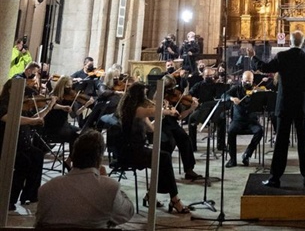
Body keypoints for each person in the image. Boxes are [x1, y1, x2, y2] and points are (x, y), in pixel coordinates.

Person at [248, 30, 305, 188]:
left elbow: (265, 67)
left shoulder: (282, 56)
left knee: (281, 141)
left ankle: (275, 178)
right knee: (304, 142)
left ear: (289, 42)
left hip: (284, 103)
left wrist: (253, 57)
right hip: (301, 104)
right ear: (303, 43)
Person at [116, 82, 190, 213]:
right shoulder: (135, 110)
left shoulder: (139, 112)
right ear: (138, 96)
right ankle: (174, 199)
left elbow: (153, 129)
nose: (146, 97)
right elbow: (152, 111)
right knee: (164, 158)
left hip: (138, 149)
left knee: (163, 157)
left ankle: (152, 195)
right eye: (144, 95)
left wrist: (162, 116)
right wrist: (167, 111)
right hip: (130, 152)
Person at [35, 130, 134, 228]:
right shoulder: (110, 188)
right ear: (99, 159)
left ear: (73, 157)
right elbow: (128, 213)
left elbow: (40, 223)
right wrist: (105, 179)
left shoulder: (46, 189)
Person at [0, 77, 57, 210]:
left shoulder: (23, 105)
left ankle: (30, 195)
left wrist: (49, 106)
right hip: (7, 143)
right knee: (24, 161)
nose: (25, 96)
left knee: (37, 155)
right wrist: (32, 121)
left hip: (23, 144)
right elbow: (9, 118)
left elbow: (35, 117)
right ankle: (9, 199)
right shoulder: (3, 104)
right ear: (10, 90)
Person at [161, 74, 202, 181]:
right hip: (162, 125)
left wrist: (191, 108)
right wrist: (167, 110)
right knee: (169, 143)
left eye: (173, 87)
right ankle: (164, 171)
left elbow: (180, 117)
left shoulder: (177, 96)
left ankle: (189, 170)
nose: (173, 90)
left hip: (173, 124)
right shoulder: (158, 95)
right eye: (170, 88)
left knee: (185, 139)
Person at [225, 71, 264, 168]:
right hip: (238, 120)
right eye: (245, 81)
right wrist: (232, 99)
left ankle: (247, 154)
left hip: (251, 121)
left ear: (253, 81)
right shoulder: (236, 89)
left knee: (259, 130)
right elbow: (224, 95)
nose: (247, 83)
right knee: (231, 131)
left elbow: (264, 102)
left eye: (249, 81)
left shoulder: (256, 91)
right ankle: (232, 159)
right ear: (241, 79)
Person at [42, 75, 81, 170]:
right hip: (53, 127)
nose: (70, 88)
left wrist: (84, 105)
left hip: (64, 125)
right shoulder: (53, 95)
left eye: (71, 86)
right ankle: (70, 162)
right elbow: (52, 105)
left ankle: (70, 160)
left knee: (81, 133)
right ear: (62, 85)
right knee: (76, 135)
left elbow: (73, 115)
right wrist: (62, 107)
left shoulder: (69, 97)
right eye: (68, 86)